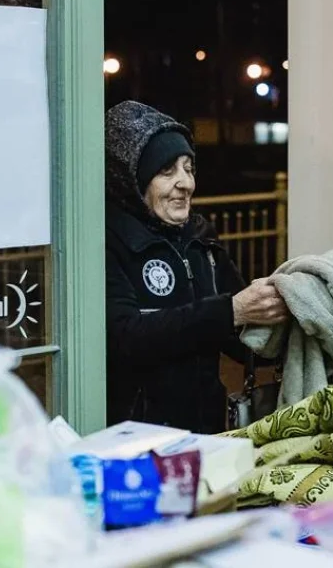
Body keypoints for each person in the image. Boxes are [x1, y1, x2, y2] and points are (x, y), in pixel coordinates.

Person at [104, 100, 288, 434]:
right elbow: (124, 338)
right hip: (138, 438)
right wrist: (230, 311)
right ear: (132, 180)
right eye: (167, 171)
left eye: (188, 168)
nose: (185, 183)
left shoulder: (200, 238)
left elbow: (240, 339)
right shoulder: (107, 242)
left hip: (206, 430)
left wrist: (288, 319)